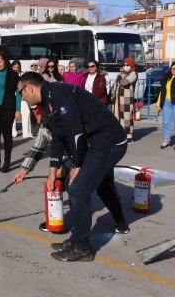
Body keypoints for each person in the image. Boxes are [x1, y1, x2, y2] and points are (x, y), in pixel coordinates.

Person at [17, 72, 128, 262]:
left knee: (79, 188)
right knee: (72, 186)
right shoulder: (46, 102)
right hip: (95, 143)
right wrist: (53, 170)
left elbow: (75, 132)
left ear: (29, 87)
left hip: (109, 142)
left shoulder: (58, 93)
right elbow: (59, 136)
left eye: (21, 93)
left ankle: (83, 247)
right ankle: (77, 239)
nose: (22, 98)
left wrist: (76, 164)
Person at [12, 120, 129, 234]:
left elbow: (84, 148)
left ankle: (120, 220)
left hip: (95, 156)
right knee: (54, 187)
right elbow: (38, 147)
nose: (46, 120)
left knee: (105, 189)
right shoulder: (46, 125)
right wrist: (24, 170)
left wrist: (65, 168)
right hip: (67, 160)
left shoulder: (72, 120)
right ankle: (54, 220)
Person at [110, 58, 138, 144]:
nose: (125, 67)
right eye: (124, 65)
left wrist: (118, 77)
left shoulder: (133, 74)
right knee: (117, 117)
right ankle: (120, 135)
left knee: (126, 117)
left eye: (127, 65)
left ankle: (129, 136)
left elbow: (124, 83)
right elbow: (116, 85)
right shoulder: (122, 74)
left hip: (126, 99)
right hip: (117, 99)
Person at [11, 60, 32, 139]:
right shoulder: (9, 74)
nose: (16, 69)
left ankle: (27, 133)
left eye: (17, 67)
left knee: (26, 112)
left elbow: (25, 86)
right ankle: (13, 131)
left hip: (22, 96)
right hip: (12, 95)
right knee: (13, 113)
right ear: (12, 67)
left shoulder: (22, 75)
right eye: (14, 67)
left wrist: (24, 95)